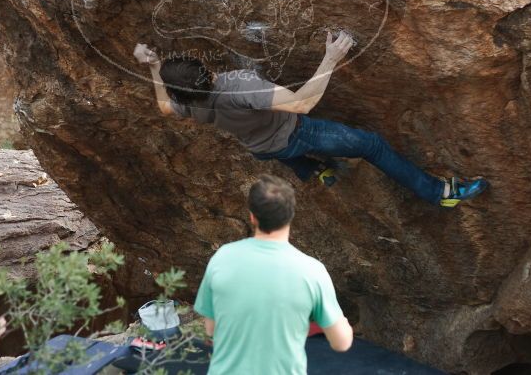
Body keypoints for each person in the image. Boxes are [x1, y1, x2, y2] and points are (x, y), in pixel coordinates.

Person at [133, 32, 488, 207]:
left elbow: (164, 107)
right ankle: (438, 193)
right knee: (371, 144)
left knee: (284, 155)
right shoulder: (238, 85)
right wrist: (331, 56)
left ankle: (315, 171)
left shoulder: (186, 104)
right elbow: (302, 104)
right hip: (296, 133)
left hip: (261, 147)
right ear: (206, 70)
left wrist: (153, 67)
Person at [194, 174, 353, 374]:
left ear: (252, 216)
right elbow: (341, 343)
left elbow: (211, 329)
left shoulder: (222, 257)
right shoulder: (312, 271)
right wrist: (344, 325)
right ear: (291, 215)